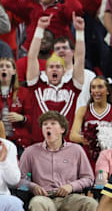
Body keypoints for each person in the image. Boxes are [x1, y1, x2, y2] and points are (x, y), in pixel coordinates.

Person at [19, 111, 97, 211]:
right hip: (43, 198)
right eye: (45, 124)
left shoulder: (76, 150)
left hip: (69, 197)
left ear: (62, 129)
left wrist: (71, 186)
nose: (48, 127)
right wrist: (33, 186)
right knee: (37, 203)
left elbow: (89, 178)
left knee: (91, 204)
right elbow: (19, 180)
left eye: (53, 124)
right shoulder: (30, 151)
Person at [26, 15, 85, 143]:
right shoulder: (37, 86)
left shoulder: (73, 87)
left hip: (66, 145)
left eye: (58, 67)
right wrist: (40, 29)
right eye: (51, 67)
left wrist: (80, 32)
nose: (54, 69)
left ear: (64, 71)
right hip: (39, 144)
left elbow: (80, 58)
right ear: (45, 71)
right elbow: (31, 57)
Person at [70, 76, 112, 162]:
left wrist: (104, 139)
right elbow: (73, 135)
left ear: (108, 91)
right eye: (93, 87)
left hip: (109, 160)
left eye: (100, 87)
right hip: (87, 160)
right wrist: (90, 139)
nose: (96, 90)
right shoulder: (83, 110)